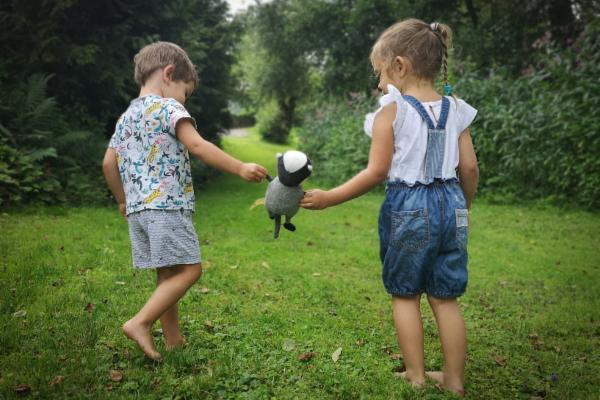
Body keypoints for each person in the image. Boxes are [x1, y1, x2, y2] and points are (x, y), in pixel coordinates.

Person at [300, 19, 478, 396]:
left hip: (411, 209)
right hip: (453, 206)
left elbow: (376, 172)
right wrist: (464, 207)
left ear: (400, 66)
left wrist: (330, 197)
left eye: (380, 73)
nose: (380, 84)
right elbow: (470, 169)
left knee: (405, 293)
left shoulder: (392, 112)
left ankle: (416, 375)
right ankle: (454, 380)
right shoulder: (457, 109)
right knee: (445, 297)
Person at [102, 41, 268, 360]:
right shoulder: (169, 108)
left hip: (138, 211)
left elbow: (108, 164)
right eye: (186, 92)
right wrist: (239, 167)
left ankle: (173, 340)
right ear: (169, 74)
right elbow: (198, 146)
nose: (184, 100)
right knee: (190, 271)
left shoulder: (126, 117)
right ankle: (140, 322)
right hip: (166, 206)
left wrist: (123, 201)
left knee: (168, 274)